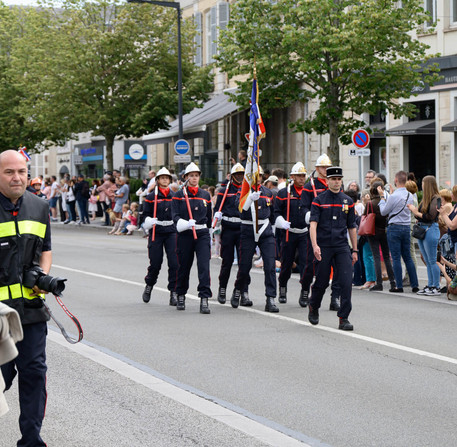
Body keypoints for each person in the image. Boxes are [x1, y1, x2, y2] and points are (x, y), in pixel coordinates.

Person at [0, 150, 52, 446]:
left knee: (34, 375)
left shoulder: (40, 206)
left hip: (31, 312)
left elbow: (46, 248)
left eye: (21, 171)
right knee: (1, 379)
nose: (17, 177)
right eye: (9, 172)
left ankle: (31, 440)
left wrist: (43, 280)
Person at [308, 166, 357, 331]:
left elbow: (352, 227)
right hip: (324, 246)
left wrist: (354, 250)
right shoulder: (319, 200)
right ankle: (313, 305)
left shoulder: (347, 201)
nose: (336, 182)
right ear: (327, 180)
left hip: (342, 246)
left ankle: (344, 318)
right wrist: (315, 246)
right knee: (321, 282)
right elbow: (313, 225)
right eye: (333, 179)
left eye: (339, 179)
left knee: (346, 282)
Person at [232, 166, 279, 313]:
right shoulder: (242, 191)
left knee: (270, 266)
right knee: (245, 266)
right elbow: (240, 210)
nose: (256, 178)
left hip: (265, 231)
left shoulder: (268, 193)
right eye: (253, 175)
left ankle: (270, 298)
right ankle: (239, 290)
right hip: (248, 231)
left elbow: (272, 214)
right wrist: (249, 199)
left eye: (259, 176)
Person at [172, 163, 212, 314]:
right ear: (186, 178)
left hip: (201, 234)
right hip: (185, 234)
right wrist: (185, 223)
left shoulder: (205, 195)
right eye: (191, 176)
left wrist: (210, 232)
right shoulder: (179, 195)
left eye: (196, 175)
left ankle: (204, 298)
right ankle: (181, 294)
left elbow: (208, 216)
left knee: (204, 267)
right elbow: (174, 216)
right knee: (184, 266)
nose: (194, 178)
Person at [301, 153, 340, 310]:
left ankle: (335, 297)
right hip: (316, 230)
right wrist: (309, 215)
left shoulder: (334, 184)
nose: (326, 170)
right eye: (323, 167)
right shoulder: (310, 185)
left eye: (328, 167)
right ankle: (305, 289)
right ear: (317, 168)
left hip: (334, 231)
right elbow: (303, 206)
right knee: (311, 265)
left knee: (337, 267)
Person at [213, 163, 251, 305]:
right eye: (237, 175)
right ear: (232, 176)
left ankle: (243, 291)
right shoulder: (224, 190)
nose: (240, 177)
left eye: (242, 175)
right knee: (227, 262)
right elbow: (218, 209)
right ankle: (222, 288)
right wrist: (217, 219)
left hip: (243, 229)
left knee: (244, 263)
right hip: (228, 229)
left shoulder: (246, 189)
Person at [141, 167, 179, 306]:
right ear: (157, 180)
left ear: (169, 180)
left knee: (175, 263)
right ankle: (149, 284)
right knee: (156, 263)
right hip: (156, 231)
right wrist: (148, 221)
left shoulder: (175, 196)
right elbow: (144, 216)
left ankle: (173, 292)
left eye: (167, 178)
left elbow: (179, 213)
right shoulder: (151, 197)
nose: (164, 180)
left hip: (171, 231)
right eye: (162, 178)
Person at [378, 170, 419, 293]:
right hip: (406, 227)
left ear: (396, 180)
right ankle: (415, 284)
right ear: (405, 181)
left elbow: (384, 212)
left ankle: (399, 286)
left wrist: (382, 198)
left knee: (396, 257)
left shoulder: (394, 195)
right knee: (408, 257)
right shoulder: (410, 195)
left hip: (394, 227)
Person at [275, 162, 309, 304]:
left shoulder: (309, 192)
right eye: (299, 176)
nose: (302, 178)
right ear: (292, 177)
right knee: (287, 264)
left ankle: (305, 291)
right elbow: (276, 212)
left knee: (306, 264)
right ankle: (282, 287)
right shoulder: (284, 193)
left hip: (304, 233)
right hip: (289, 233)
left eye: (303, 176)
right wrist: (281, 221)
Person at [408, 175, 441, 296]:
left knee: (432, 260)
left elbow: (431, 216)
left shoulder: (436, 198)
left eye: (422, 182)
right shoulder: (426, 199)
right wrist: (416, 212)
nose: (421, 184)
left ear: (427, 184)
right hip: (423, 229)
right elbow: (421, 215)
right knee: (427, 260)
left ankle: (436, 286)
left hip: (431, 229)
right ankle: (431, 284)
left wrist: (416, 212)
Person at [363, 180, 396, 291]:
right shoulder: (386, 201)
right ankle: (392, 282)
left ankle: (379, 283)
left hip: (372, 231)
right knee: (387, 257)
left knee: (376, 256)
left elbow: (365, 216)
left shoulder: (370, 204)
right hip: (385, 231)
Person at [0, 302, 23, 418]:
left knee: (34, 375)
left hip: (32, 314)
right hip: (5, 311)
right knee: (5, 375)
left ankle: (31, 436)